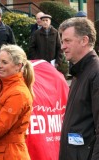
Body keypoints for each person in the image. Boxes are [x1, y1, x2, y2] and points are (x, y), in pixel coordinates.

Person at [58, 17, 99, 160]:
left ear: (84, 41)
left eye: (67, 41)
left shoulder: (95, 73)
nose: (62, 46)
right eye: (62, 42)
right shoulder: (78, 73)